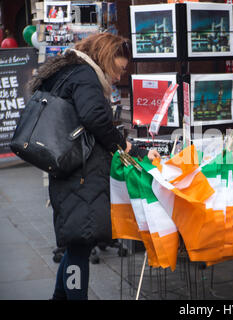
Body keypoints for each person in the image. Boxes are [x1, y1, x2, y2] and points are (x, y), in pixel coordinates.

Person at [28, 33, 160, 300]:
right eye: (120, 68)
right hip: (81, 175)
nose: (119, 76)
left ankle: (59, 296)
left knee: (76, 242)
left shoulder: (70, 72)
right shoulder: (85, 76)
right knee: (79, 244)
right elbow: (94, 116)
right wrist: (122, 146)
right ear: (108, 57)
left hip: (70, 170)